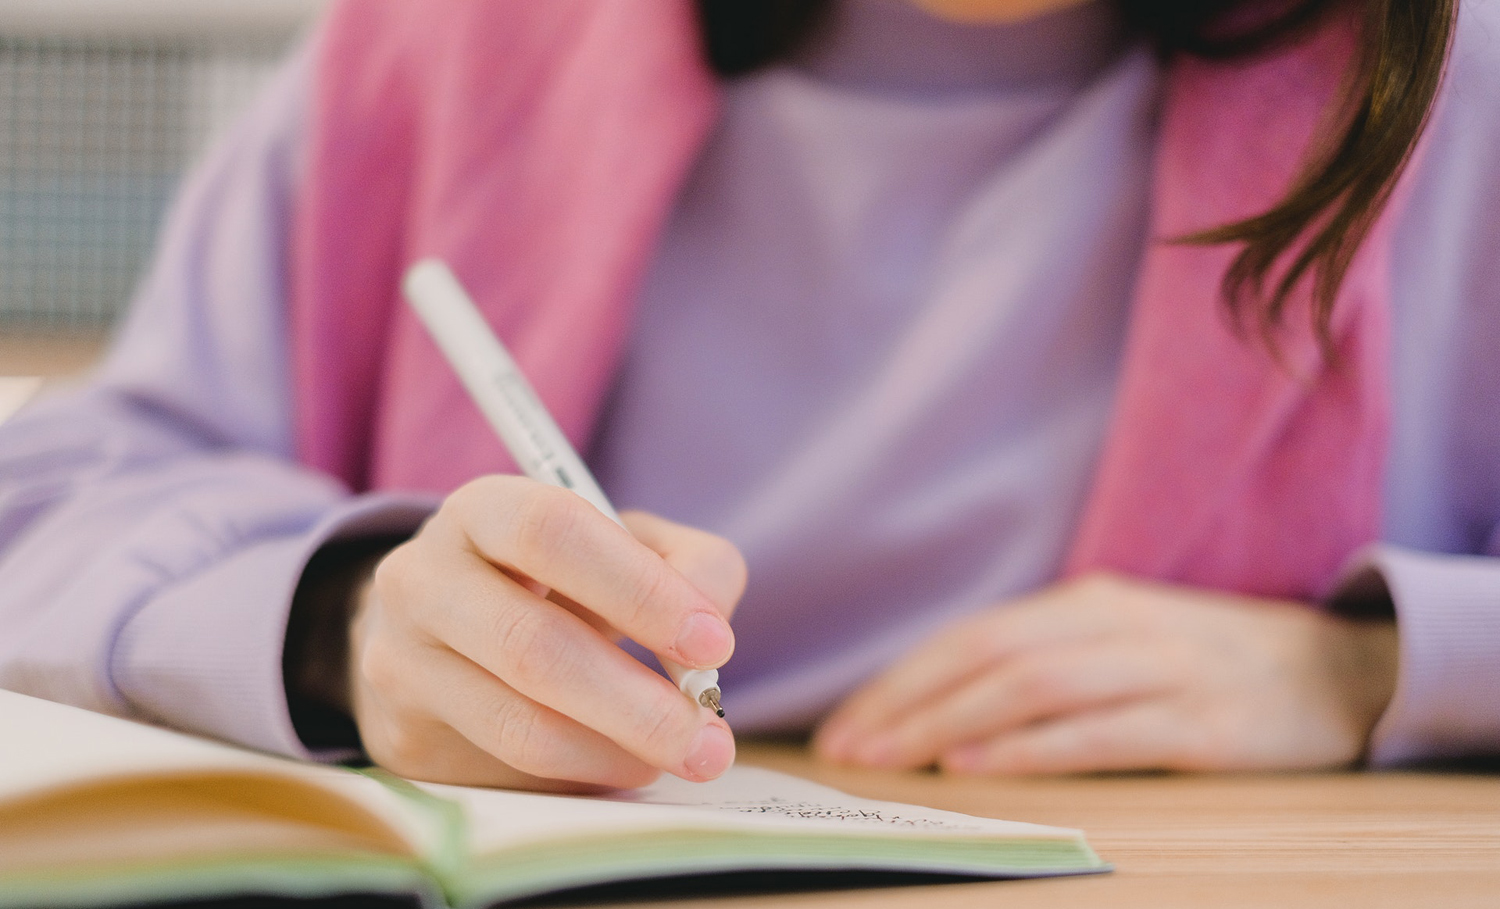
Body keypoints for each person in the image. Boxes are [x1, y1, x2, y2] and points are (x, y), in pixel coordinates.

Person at [0, 0, 1496, 793]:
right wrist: (348, 625)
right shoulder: (449, 36)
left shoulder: (1455, 84)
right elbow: (55, 495)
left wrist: (1366, 673)